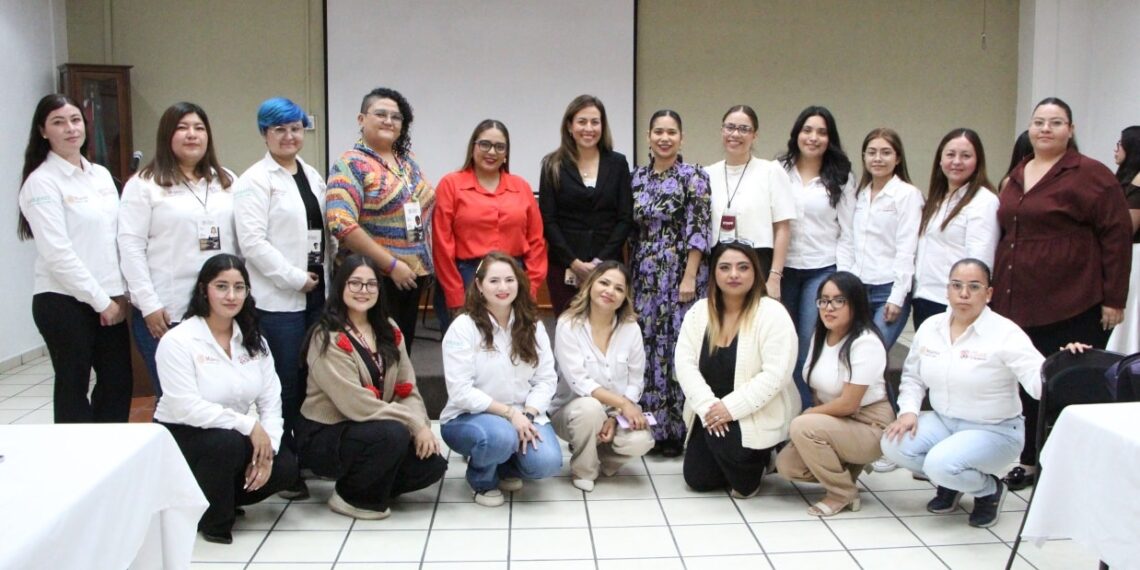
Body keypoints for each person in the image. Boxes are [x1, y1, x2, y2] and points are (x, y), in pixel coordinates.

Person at [880, 259, 1085, 528]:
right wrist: (908, 411)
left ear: (988, 293)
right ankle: (951, 483)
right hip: (944, 421)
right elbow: (913, 377)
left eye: (974, 287)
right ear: (948, 290)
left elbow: (1038, 384)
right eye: (957, 286)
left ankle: (989, 490)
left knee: (939, 463)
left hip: (994, 430)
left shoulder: (1005, 333)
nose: (964, 294)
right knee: (893, 444)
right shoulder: (931, 327)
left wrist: (1064, 363)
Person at [992, 97, 1132, 491]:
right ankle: (1031, 461)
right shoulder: (1019, 173)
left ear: (1070, 129)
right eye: (1039, 122)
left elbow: (1117, 236)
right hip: (1019, 301)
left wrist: (1114, 298)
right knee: (1030, 383)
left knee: (1072, 383)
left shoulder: (1091, 174)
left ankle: (1076, 465)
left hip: (1075, 300)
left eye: (1056, 122)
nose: (1045, 129)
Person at [153, 254, 298, 544]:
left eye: (239, 287)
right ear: (203, 290)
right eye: (221, 286)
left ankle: (222, 498)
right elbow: (186, 407)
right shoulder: (178, 340)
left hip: (231, 433)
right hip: (182, 435)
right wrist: (249, 426)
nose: (231, 295)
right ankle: (213, 520)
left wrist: (267, 450)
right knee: (226, 444)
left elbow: (272, 401)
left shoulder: (254, 341)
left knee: (286, 466)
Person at [296, 255, 446, 520]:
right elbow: (355, 403)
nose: (363, 291)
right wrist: (414, 425)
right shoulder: (326, 336)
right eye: (355, 283)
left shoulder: (388, 329)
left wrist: (420, 423)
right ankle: (350, 497)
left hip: (371, 427)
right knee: (393, 435)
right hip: (327, 433)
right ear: (341, 287)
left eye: (371, 284)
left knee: (431, 465)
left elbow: (407, 387)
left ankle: (373, 484)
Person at [17, 93, 132, 423]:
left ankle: (110, 457)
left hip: (109, 299)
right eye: (58, 122)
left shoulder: (100, 175)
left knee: (117, 384)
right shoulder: (41, 182)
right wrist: (101, 302)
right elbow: (58, 254)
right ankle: (75, 464)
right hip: (64, 302)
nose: (70, 128)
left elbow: (116, 239)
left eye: (75, 120)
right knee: (73, 387)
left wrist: (121, 296)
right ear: (42, 131)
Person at [234, 97, 328, 499]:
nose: (290, 137)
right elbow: (252, 243)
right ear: (264, 134)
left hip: (315, 295)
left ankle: (306, 453)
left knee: (310, 379)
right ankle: (286, 463)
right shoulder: (254, 181)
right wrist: (293, 278)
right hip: (279, 300)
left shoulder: (311, 175)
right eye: (279, 130)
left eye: (295, 129)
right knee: (284, 382)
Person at [118, 102, 236, 397]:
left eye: (198, 128)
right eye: (182, 128)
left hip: (219, 310)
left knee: (217, 396)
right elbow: (130, 246)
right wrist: (148, 304)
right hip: (167, 311)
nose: (191, 135)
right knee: (175, 400)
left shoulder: (226, 180)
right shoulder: (144, 185)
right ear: (167, 136)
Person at [674, 242, 798, 498]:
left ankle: (763, 457)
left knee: (741, 481)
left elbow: (777, 375)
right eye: (725, 267)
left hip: (754, 408)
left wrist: (730, 409)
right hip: (710, 409)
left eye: (743, 267)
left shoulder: (773, 313)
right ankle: (732, 459)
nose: (733, 274)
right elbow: (684, 365)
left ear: (755, 273)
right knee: (697, 479)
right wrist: (710, 408)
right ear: (714, 274)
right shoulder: (699, 312)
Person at [439, 252, 562, 507]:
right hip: (468, 416)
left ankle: (505, 467)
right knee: (501, 436)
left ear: (519, 283)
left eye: (509, 280)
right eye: (494, 281)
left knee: (546, 463)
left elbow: (546, 379)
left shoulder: (532, 325)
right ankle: (481, 480)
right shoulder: (463, 327)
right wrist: (509, 414)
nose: (503, 287)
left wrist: (527, 414)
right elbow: (461, 391)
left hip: (523, 414)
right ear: (479, 286)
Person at [775, 271, 894, 516]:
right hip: (836, 421)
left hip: (869, 423)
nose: (829, 308)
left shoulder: (865, 342)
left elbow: (849, 404)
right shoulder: (821, 334)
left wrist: (809, 415)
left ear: (856, 303)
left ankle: (842, 494)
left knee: (803, 426)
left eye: (839, 301)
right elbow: (817, 387)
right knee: (787, 466)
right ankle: (849, 465)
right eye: (824, 300)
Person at [326, 87, 434, 353]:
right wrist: (392, 265)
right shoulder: (351, 164)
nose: (389, 121)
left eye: (396, 117)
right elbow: (341, 223)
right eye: (381, 114)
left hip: (411, 277)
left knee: (400, 354)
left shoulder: (408, 163)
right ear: (361, 120)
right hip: (371, 279)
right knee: (372, 355)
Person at [629, 109, 711, 456]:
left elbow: (699, 228)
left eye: (671, 132)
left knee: (679, 348)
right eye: (658, 131)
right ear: (648, 136)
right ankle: (651, 427)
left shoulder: (694, 176)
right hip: (644, 275)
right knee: (647, 347)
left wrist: (690, 275)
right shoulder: (636, 178)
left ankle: (679, 430)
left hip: (682, 276)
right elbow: (630, 230)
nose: (664, 138)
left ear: (681, 138)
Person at [432, 119, 546, 332]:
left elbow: (536, 242)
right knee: (468, 352)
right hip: (466, 278)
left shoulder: (521, 187)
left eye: (499, 146)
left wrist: (529, 288)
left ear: (506, 153)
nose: (491, 151)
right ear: (473, 147)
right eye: (485, 144)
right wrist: (455, 295)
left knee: (514, 349)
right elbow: (442, 244)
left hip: (513, 281)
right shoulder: (451, 184)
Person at [551, 261, 655, 491]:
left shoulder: (630, 328)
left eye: (619, 288)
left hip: (614, 410)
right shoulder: (568, 324)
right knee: (590, 408)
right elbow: (580, 382)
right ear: (590, 285)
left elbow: (636, 380)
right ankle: (584, 469)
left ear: (625, 296)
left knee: (642, 440)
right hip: (572, 410)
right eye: (604, 283)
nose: (610, 291)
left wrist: (616, 414)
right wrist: (623, 405)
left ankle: (603, 459)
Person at [777, 106, 855, 409]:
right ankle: (791, 415)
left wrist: (843, 280)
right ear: (797, 134)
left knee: (808, 346)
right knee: (784, 345)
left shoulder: (842, 176)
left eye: (821, 132)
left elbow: (848, 230)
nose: (813, 137)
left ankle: (811, 414)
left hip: (821, 270)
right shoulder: (779, 170)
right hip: (783, 271)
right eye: (807, 130)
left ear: (830, 138)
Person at [539, 94, 633, 315]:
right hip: (564, 266)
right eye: (582, 122)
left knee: (606, 330)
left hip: (608, 266)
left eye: (595, 122)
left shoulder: (617, 163)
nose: (588, 128)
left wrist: (600, 261)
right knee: (569, 329)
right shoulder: (552, 164)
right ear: (570, 126)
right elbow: (548, 220)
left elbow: (624, 218)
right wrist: (573, 262)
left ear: (603, 126)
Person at [840, 128, 923, 350]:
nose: (878, 158)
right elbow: (847, 240)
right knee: (853, 356)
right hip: (857, 287)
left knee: (871, 352)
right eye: (871, 152)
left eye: (886, 152)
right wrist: (844, 283)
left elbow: (907, 248)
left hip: (888, 289)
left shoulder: (908, 195)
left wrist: (896, 296)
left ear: (897, 159)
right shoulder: (858, 195)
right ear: (864, 157)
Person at [912, 129, 999, 328]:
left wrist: (965, 302)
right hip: (925, 298)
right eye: (950, 154)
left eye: (966, 156)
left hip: (955, 304)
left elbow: (980, 260)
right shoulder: (938, 198)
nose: (957, 161)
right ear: (940, 159)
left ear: (978, 161)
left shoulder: (983, 201)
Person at [707, 104, 797, 292]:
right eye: (730, 127)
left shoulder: (771, 171)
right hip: (718, 262)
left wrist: (775, 277)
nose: (735, 134)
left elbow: (783, 228)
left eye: (744, 129)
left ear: (754, 135)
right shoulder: (706, 174)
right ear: (721, 130)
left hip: (758, 261)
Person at [1107, 125, 1140, 354]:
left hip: (1135, 257)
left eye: (1120, 144)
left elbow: (1127, 227)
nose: (1116, 149)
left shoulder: (1138, 183)